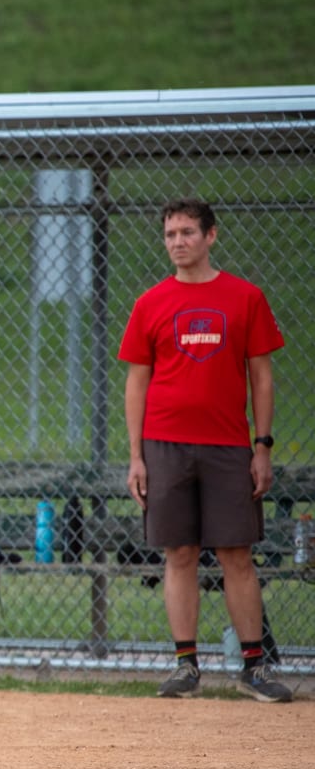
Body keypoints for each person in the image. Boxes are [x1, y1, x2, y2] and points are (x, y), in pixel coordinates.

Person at [121, 198, 290, 703]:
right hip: (166, 444)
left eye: (188, 232)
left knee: (237, 554)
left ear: (211, 236)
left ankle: (254, 667)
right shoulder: (150, 303)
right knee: (180, 553)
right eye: (170, 234)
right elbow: (136, 382)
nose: (178, 242)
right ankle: (185, 667)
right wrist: (136, 455)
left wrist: (261, 445)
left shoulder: (244, 297)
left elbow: (261, 376)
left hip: (227, 445)